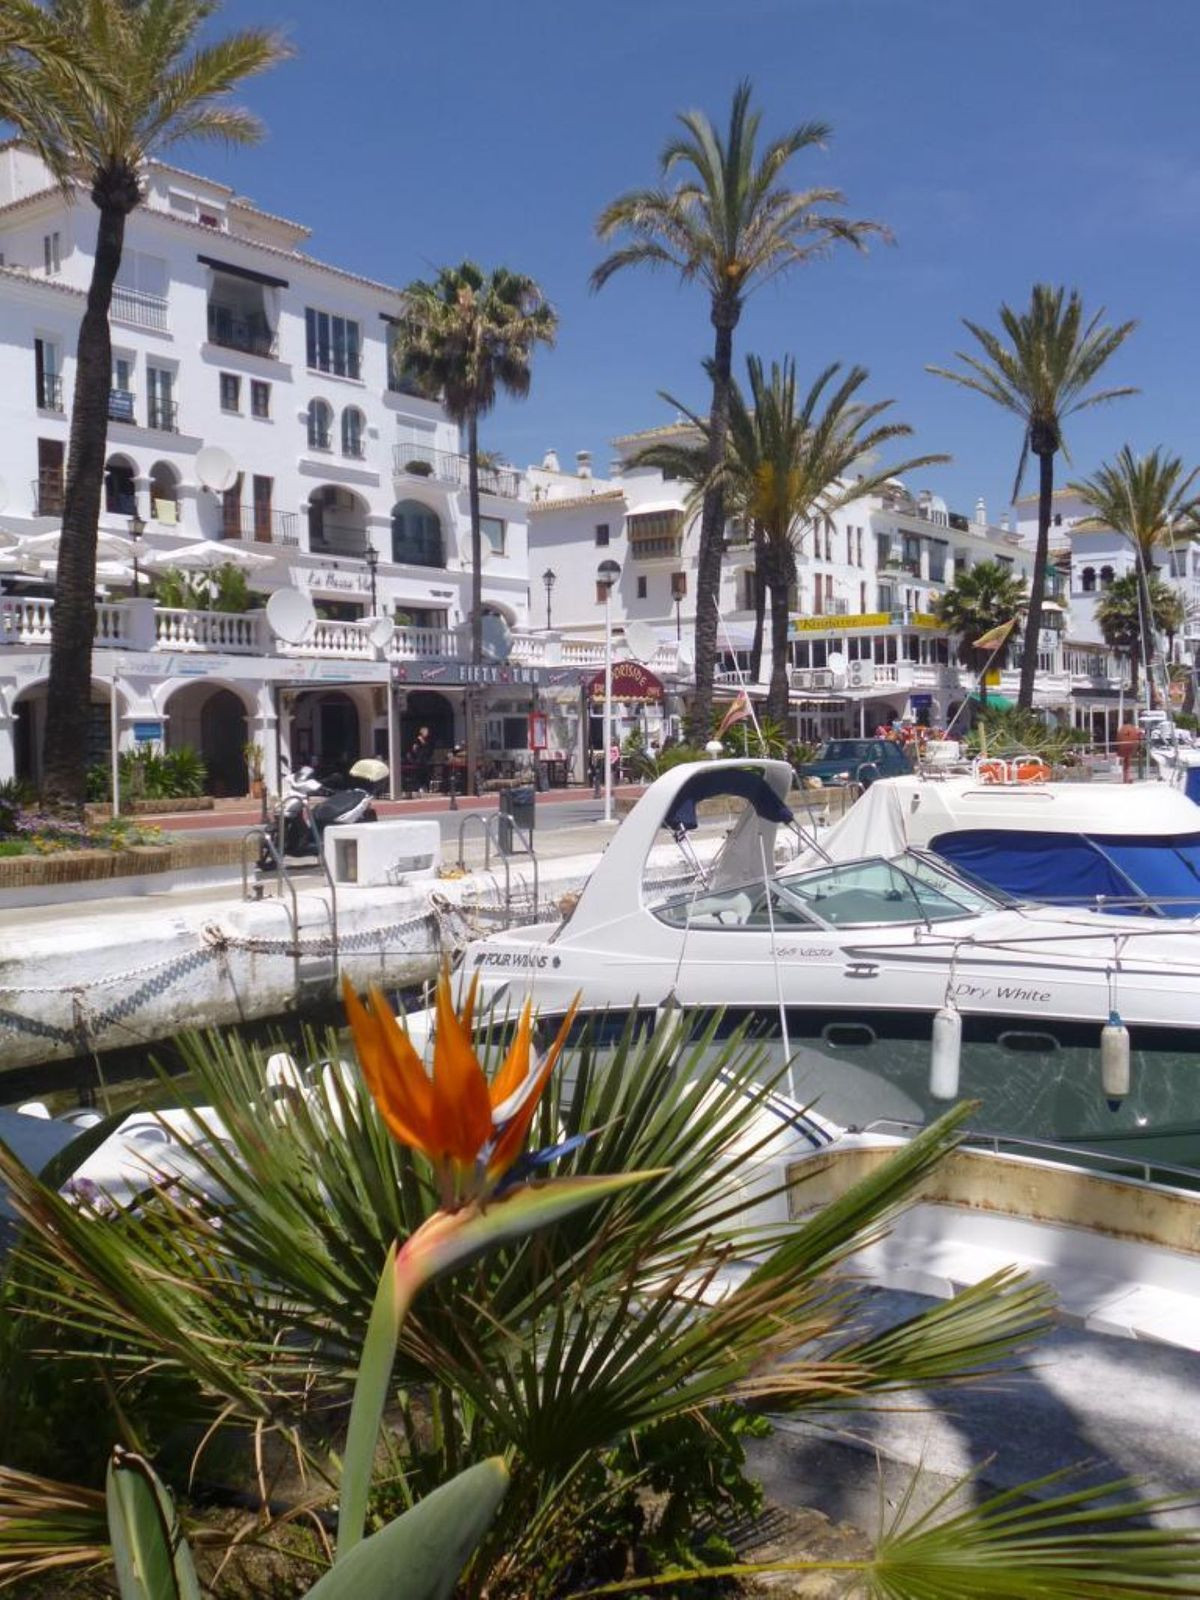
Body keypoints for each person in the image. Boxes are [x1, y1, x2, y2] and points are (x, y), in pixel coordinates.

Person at [405, 725, 434, 794]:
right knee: (419, 774)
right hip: (419, 760)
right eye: (426, 732)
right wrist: (415, 757)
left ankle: (425, 787)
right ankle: (419, 787)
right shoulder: (417, 740)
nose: (427, 733)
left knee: (426, 774)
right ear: (422, 732)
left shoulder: (427, 740)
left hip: (424, 760)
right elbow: (414, 749)